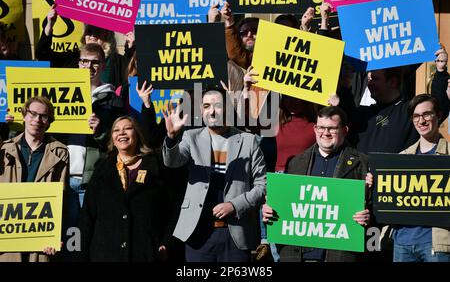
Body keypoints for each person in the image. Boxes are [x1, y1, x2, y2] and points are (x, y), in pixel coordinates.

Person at [162, 88, 266, 262]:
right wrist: (172, 137)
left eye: (217, 105)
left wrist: (234, 205)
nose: (212, 111)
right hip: (198, 234)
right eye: (206, 106)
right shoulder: (190, 136)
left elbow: (263, 184)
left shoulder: (248, 140)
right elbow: (172, 162)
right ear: (201, 110)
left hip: (236, 233)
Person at [262, 106, 370, 262]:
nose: (325, 133)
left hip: (339, 255)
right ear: (315, 129)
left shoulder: (362, 163)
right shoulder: (295, 162)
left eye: (332, 128)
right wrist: (270, 211)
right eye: (321, 127)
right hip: (296, 255)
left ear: (345, 130)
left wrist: (367, 216)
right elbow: (285, 209)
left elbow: (374, 210)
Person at [77, 116, 176, 261]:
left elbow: (174, 208)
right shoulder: (101, 169)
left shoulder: (156, 165)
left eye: (127, 128)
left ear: (137, 134)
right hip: (105, 255)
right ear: (112, 139)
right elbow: (87, 216)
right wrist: (80, 256)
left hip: (145, 254)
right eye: (116, 130)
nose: (121, 133)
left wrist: (167, 243)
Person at [367, 94, 450, 262]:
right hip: (401, 243)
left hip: (435, 243)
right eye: (416, 116)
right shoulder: (402, 158)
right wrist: (374, 183)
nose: (422, 121)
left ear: (438, 115)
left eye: (427, 114)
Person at [55, 43, 124, 208]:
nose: (89, 66)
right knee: (65, 233)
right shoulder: (59, 93)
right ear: (79, 63)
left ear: (103, 65)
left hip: (92, 181)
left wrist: (100, 130)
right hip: (61, 178)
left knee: (86, 233)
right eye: (84, 61)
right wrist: (18, 123)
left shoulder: (114, 101)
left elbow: (120, 142)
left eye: (95, 62)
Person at [0, 96, 69, 262]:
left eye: (43, 116)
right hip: (8, 235)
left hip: (40, 236)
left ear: (49, 121)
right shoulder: (4, 149)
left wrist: (53, 236)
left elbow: (61, 197)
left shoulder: (60, 152)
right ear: (24, 115)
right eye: (32, 114)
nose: (37, 120)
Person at [36, 5, 131, 90]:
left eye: (97, 31)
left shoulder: (118, 61)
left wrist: (131, 46)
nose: (93, 36)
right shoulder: (73, 57)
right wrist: (49, 26)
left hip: (108, 107)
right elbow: (42, 55)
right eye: (89, 31)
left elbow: (132, 73)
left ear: (107, 35)